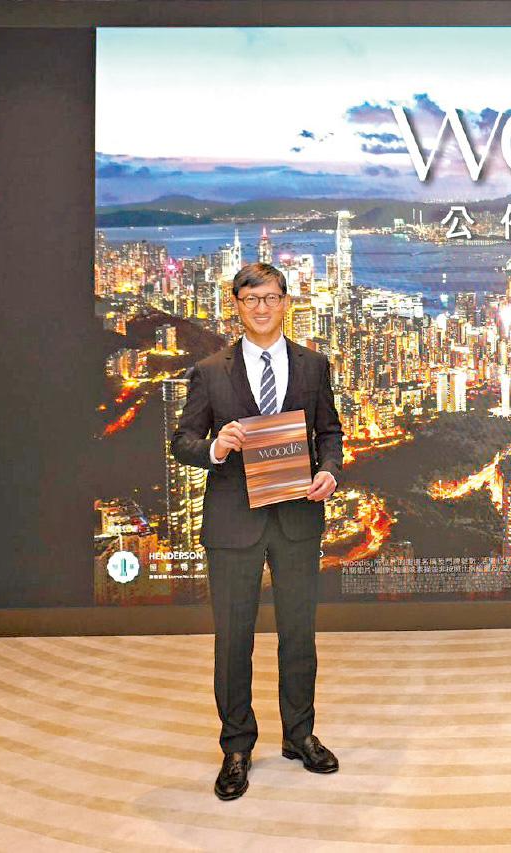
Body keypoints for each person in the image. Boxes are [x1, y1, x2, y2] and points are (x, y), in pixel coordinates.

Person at [172, 262, 344, 799]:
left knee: (299, 634)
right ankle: (236, 747)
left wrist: (329, 470)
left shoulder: (314, 365)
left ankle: (300, 735)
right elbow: (182, 442)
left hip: (296, 518)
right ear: (237, 306)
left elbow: (329, 431)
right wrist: (216, 447)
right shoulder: (210, 371)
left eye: (271, 297)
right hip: (233, 522)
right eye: (251, 300)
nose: (262, 308)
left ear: (286, 302)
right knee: (233, 640)